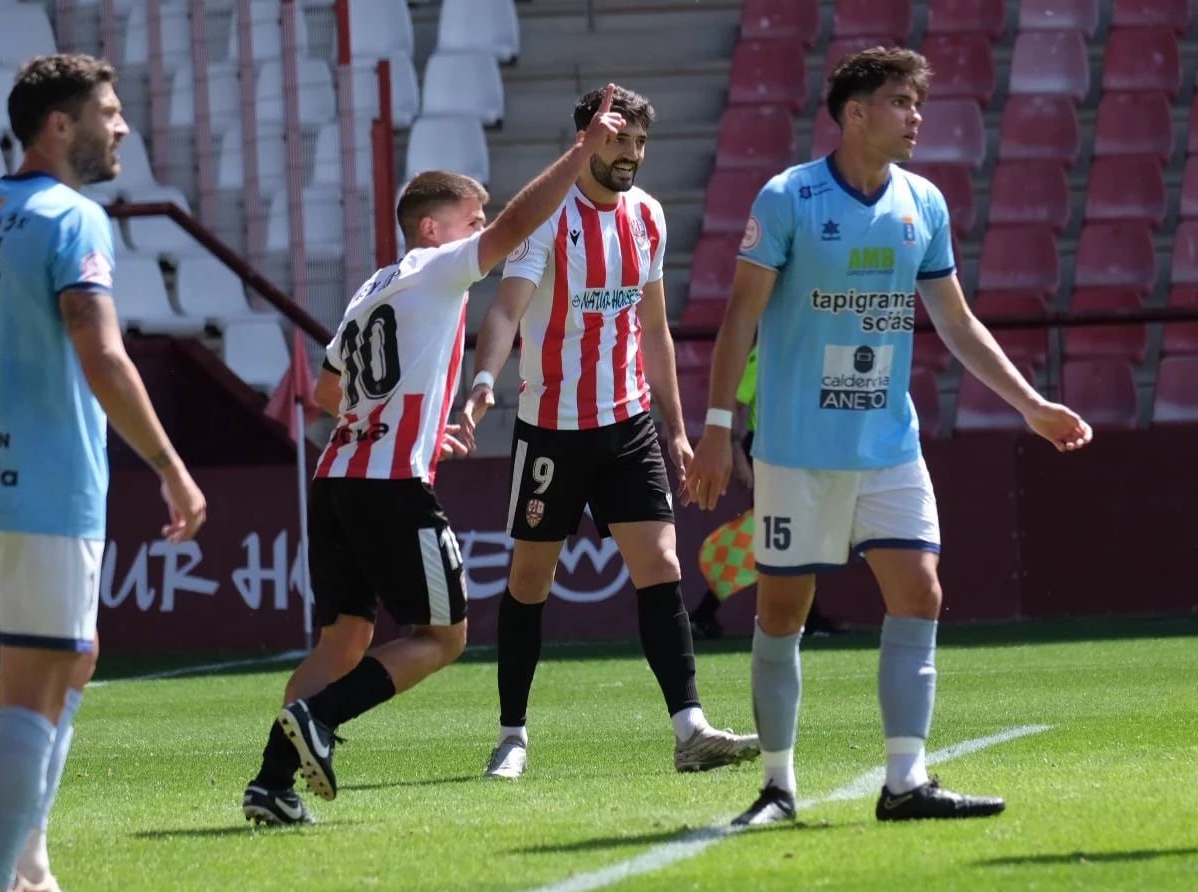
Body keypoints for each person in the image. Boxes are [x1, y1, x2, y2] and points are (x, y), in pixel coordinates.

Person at [684, 47, 1092, 828]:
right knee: (781, 612)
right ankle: (777, 786)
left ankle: (905, 779)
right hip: (798, 448)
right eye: (901, 102)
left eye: (917, 102)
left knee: (921, 591)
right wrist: (716, 429)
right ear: (854, 112)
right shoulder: (787, 198)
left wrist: (1031, 403)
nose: (916, 117)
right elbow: (740, 315)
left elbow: (957, 322)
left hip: (889, 445)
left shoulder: (924, 204)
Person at [241, 86, 633, 823]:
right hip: (389, 485)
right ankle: (319, 723)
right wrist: (581, 153)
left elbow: (328, 394)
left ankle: (271, 781)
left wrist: (409, 427)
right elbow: (521, 221)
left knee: (344, 641)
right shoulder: (435, 267)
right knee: (443, 636)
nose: (482, 232)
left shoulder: (371, 287)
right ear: (432, 227)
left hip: (338, 480)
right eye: (470, 222)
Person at [0, 54, 207, 892]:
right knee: (34, 686)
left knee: (71, 658)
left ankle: (29, 868)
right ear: (59, 126)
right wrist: (171, 465)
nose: (120, 128)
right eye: (107, 113)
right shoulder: (72, 218)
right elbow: (101, 349)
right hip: (45, 485)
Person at [462, 85, 758, 781]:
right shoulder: (546, 217)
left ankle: (689, 728)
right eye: (618, 139)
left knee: (661, 566)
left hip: (627, 425)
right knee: (530, 580)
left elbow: (654, 331)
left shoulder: (648, 216)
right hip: (551, 431)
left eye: (639, 144)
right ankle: (512, 735)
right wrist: (484, 381)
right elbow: (505, 311)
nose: (630, 155)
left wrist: (677, 432)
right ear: (586, 138)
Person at [688, 346, 839, 640]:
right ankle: (706, 612)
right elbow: (736, 402)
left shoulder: (801, 350)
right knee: (775, 534)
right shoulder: (763, 354)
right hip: (766, 449)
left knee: (786, 535)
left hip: (791, 449)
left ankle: (706, 614)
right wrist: (736, 453)